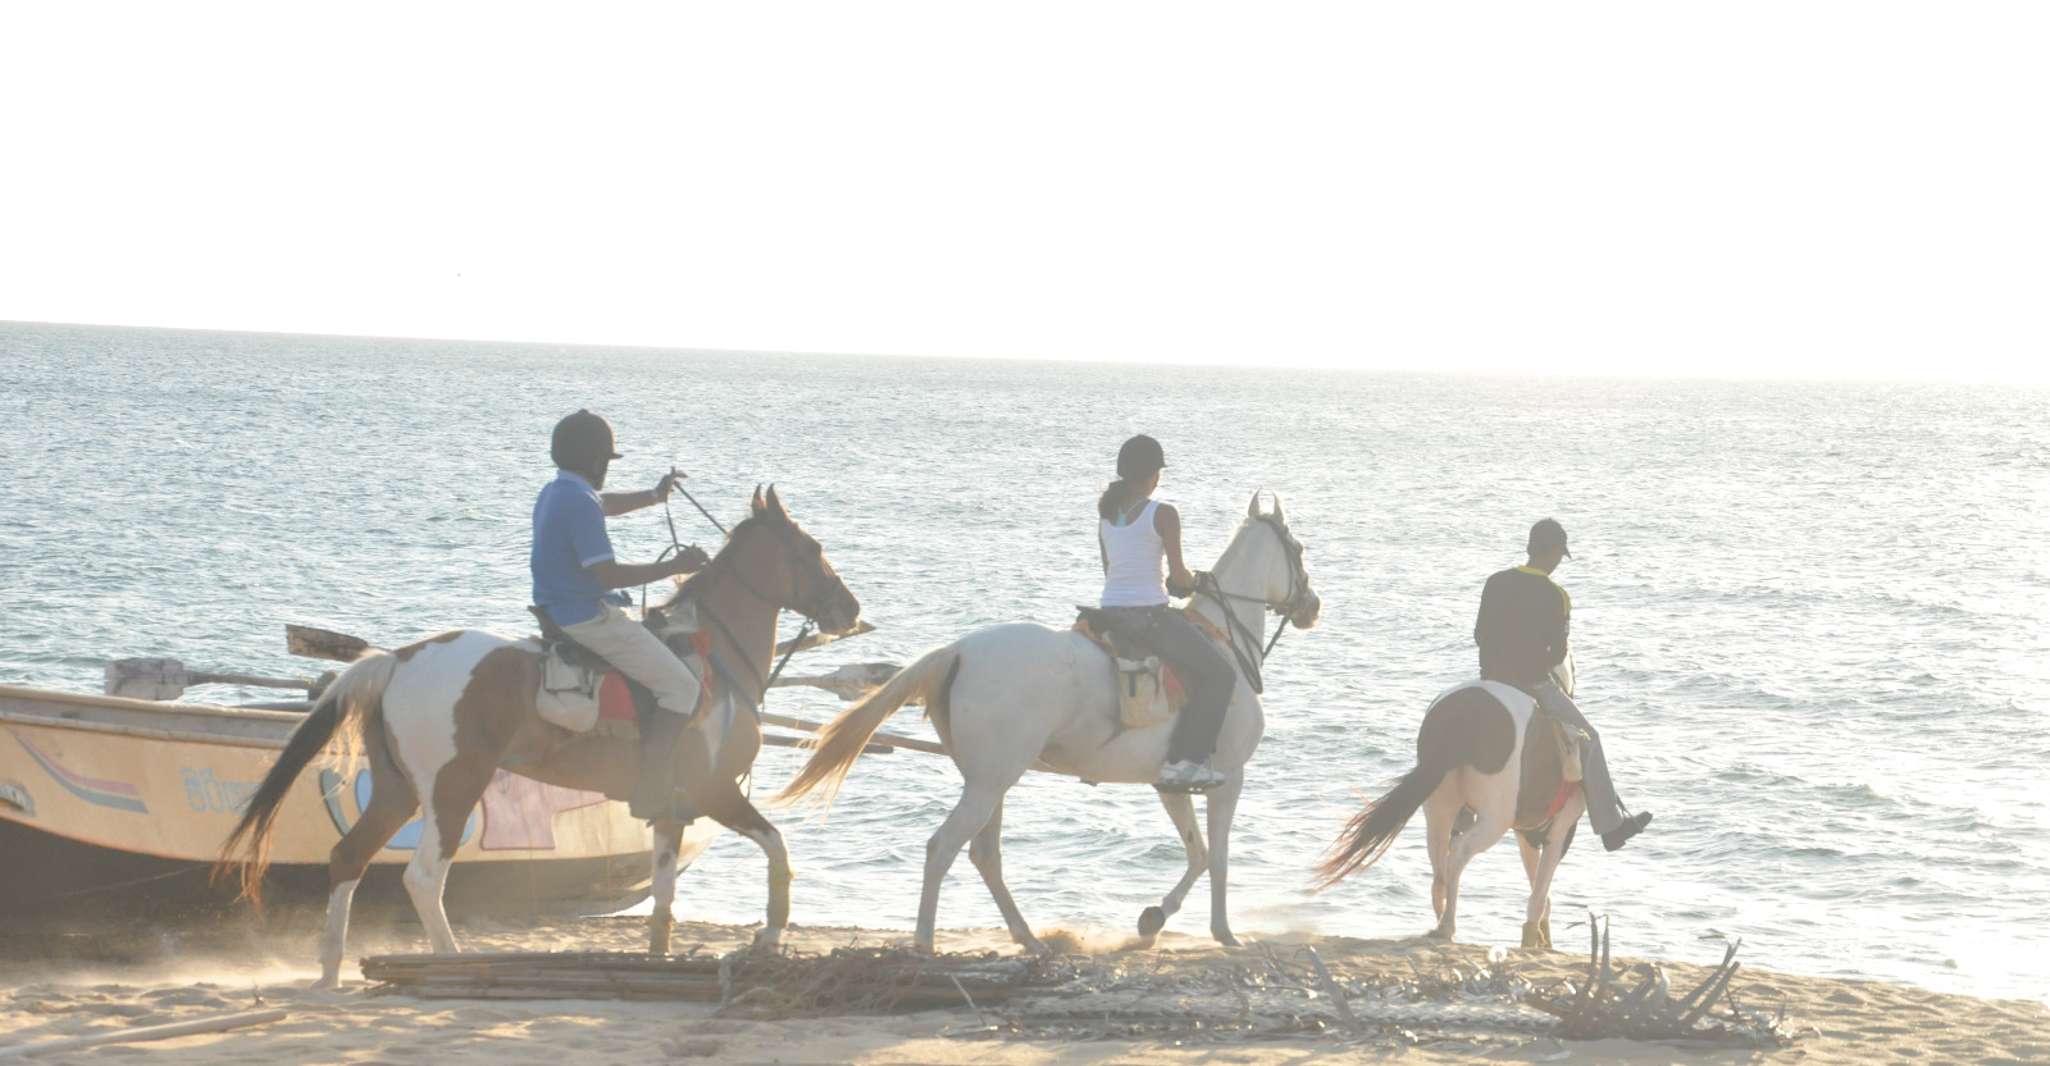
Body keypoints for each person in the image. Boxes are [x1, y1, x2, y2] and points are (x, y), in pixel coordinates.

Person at [532, 409, 711, 821]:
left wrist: (653, 496)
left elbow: (602, 504)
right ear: (596, 462)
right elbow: (606, 574)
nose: (605, 473)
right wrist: (675, 565)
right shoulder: (578, 502)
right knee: (683, 689)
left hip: (555, 609)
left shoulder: (557, 492)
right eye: (606, 464)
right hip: (586, 617)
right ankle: (652, 788)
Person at [1474, 518, 1653, 851]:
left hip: (1490, 680)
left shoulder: (1495, 582)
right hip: (1532, 684)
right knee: (1589, 738)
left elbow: (1479, 635)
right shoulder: (1556, 596)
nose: (1558, 562)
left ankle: (1461, 817)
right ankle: (1611, 828)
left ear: (1530, 548)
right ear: (1555, 552)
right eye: (1559, 555)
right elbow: (1557, 651)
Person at [1094, 434, 1239, 792]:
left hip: (1109, 613)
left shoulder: (1106, 518)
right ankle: (1186, 763)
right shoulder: (1164, 514)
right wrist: (1194, 584)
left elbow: (1111, 571)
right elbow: (1179, 577)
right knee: (1221, 674)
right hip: (1149, 618)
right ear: (1152, 475)